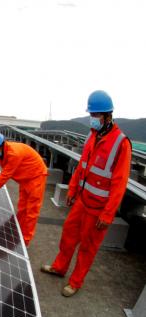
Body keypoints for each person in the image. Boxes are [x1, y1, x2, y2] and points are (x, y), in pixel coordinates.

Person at [41, 90, 132, 297]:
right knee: (68, 235)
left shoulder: (121, 143)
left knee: (87, 248)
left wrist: (108, 214)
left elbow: (119, 183)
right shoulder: (92, 136)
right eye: (91, 115)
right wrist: (72, 190)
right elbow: (82, 166)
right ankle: (60, 267)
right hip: (82, 200)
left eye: (96, 115)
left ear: (108, 116)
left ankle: (75, 282)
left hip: (99, 208)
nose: (93, 119)